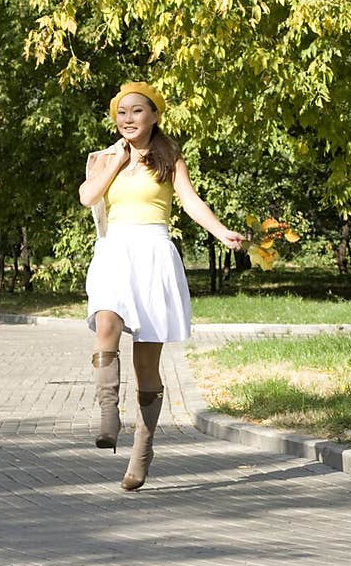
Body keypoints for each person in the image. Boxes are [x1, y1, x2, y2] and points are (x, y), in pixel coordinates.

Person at [79, 81, 244, 491]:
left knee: (146, 363)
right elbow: (87, 197)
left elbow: (189, 201)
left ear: (154, 115)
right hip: (115, 251)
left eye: (137, 111)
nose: (128, 119)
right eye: (121, 113)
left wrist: (222, 231)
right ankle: (107, 414)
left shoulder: (169, 159)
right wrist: (115, 162)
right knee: (105, 325)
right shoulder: (105, 157)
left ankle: (143, 446)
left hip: (153, 252)